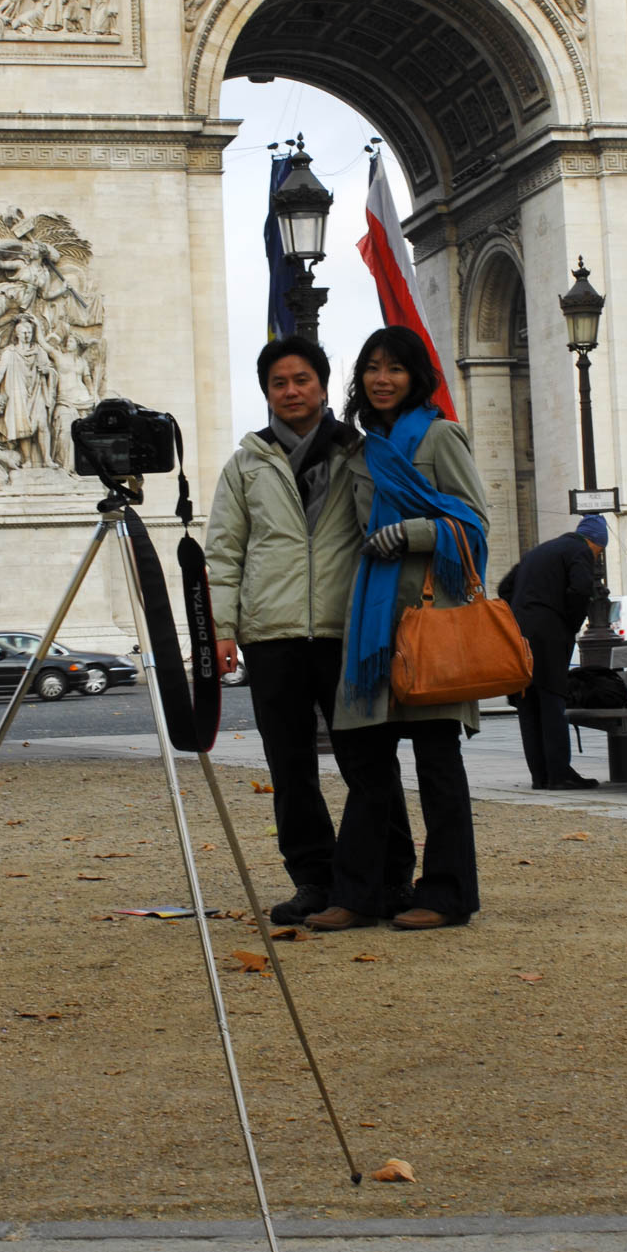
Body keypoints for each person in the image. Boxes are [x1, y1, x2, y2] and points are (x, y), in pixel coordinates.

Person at [206, 334, 412, 926]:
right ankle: (313, 881)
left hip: (348, 629)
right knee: (289, 769)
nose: (291, 391)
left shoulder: (362, 453)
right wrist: (222, 629)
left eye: (302, 380)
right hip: (272, 632)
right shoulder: (245, 465)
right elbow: (223, 554)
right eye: (279, 382)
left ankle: (387, 877)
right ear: (266, 392)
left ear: (323, 386)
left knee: (367, 764)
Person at [306, 326, 489, 934]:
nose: (382, 379)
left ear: (416, 376)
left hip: (430, 626)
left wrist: (411, 533)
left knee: (438, 768)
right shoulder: (357, 450)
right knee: (367, 770)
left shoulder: (439, 437)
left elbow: (474, 525)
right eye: (372, 368)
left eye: (395, 369)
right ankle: (361, 892)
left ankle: (448, 893)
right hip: (372, 627)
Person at [505, 517, 607, 790]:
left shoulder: (538, 551)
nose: (596, 557)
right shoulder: (580, 551)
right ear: (595, 543)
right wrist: (569, 624)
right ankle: (559, 773)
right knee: (552, 702)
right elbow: (580, 589)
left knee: (528, 703)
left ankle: (540, 775)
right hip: (548, 635)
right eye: (599, 552)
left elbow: (505, 587)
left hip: (519, 634)